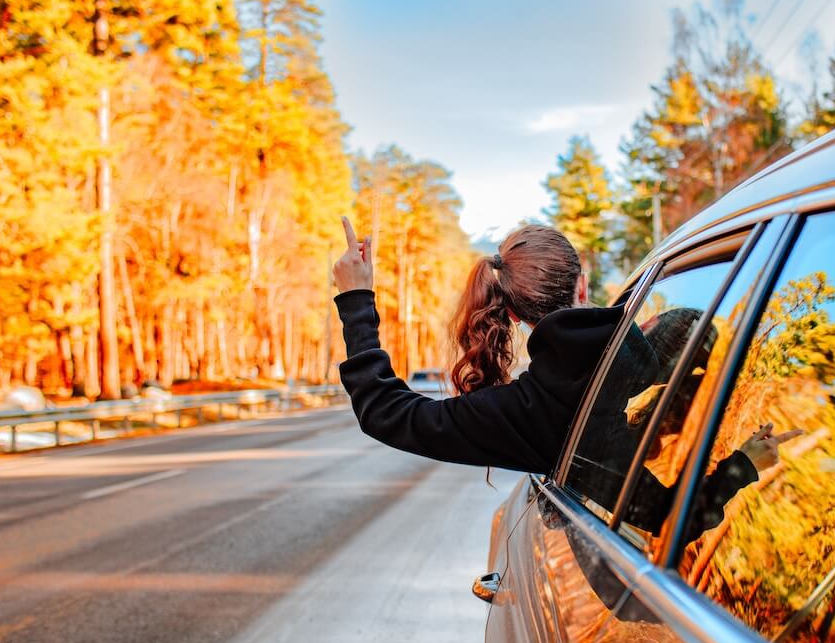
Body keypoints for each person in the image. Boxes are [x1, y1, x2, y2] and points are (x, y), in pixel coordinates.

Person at [332, 217, 798, 510]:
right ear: (583, 285)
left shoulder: (526, 412)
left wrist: (356, 297)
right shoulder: (656, 350)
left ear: (512, 314)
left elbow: (386, 414)